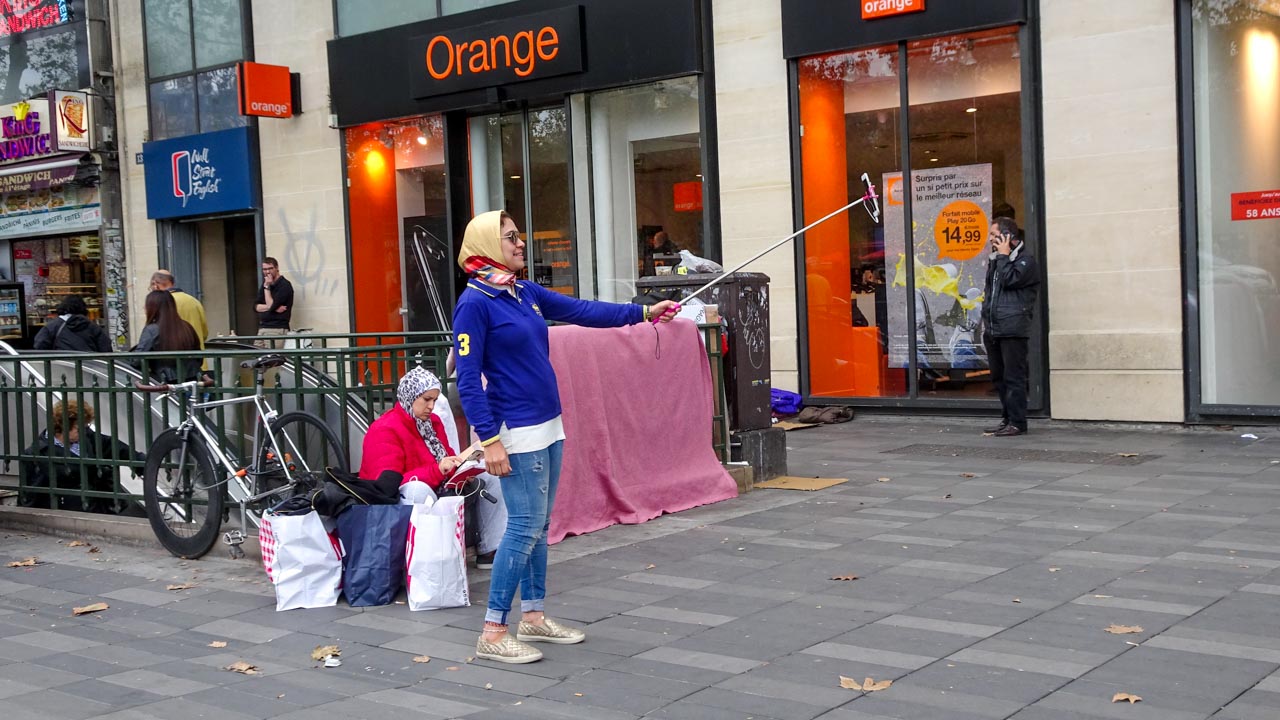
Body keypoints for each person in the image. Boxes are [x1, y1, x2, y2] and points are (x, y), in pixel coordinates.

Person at [453, 209, 678, 664]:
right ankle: (493, 632)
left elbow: (582, 311)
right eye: (510, 237)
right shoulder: (475, 302)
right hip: (516, 431)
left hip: (548, 423)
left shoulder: (522, 292)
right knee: (524, 526)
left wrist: (642, 312)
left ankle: (533, 617)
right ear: (488, 246)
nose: (520, 243)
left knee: (539, 527)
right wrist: (490, 440)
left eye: (518, 235)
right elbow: (467, 378)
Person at [19, 399, 144, 514]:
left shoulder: (85, 437)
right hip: (71, 513)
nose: (83, 432)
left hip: (103, 506)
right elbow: (30, 494)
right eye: (78, 429)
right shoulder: (37, 454)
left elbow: (112, 446)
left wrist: (140, 462)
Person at [360, 366, 467, 492]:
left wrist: (462, 470)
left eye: (434, 400)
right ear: (410, 396)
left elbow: (448, 459)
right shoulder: (384, 429)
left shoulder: (433, 422)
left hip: (439, 491)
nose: (431, 406)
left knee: (484, 478)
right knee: (418, 490)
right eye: (427, 399)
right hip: (400, 498)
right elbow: (386, 485)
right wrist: (437, 471)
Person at [981, 216, 1039, 437]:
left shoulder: (1026, 261)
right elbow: (990, 292)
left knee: (1013, 377)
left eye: (994, 235)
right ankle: (1007, 418)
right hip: (994, 328)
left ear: (1007, 236)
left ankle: (1018, 422)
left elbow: (1009, 280)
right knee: (998, 377)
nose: (990, 239)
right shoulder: (997, 260)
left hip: (1013, 327)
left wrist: (1003, 256)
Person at [132, 290, 202, 383]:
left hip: (165, 382)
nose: (144, 308)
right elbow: (199, 357)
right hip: (192, 379)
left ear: (153, 308)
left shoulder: (152, 330)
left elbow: (137, 360)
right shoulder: (187, 327)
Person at [150, 270, 208, 348]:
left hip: (173, 353)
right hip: (197, 353)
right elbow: (204, 333)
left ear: (155, 285)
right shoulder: (194, 301)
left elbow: (153, 333)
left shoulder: (161, 302)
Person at [32, 295, 111, 352]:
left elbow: (40, 346)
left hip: (62, 365)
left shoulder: (52, 326)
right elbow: (106, 348)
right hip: (90, 366)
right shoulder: (93, 327)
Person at [254, 256, 294, 348]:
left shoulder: (284, 285)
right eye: (265, 269)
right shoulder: (265, 284)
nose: (267, 272)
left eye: (270, 268)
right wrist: (271, 307)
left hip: (277, 328)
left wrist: (267, 288)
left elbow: (271, 305)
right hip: (262, 328)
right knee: (256, 355)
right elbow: (255, 307)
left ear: (276, 268)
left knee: (272, 356)